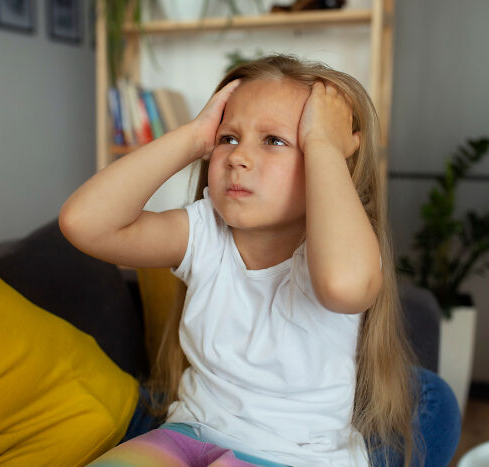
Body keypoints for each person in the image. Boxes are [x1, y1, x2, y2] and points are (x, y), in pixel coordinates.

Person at [60, 54, 460, 467]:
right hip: (188, 433)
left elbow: (345, 285)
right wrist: (195, 136)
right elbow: (83, 223)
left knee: (435, 400)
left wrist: (324, 144)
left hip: (290, 456)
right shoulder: (204, 231)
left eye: (274, 140)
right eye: (228, 138)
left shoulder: (335, 246)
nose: (238, 157)